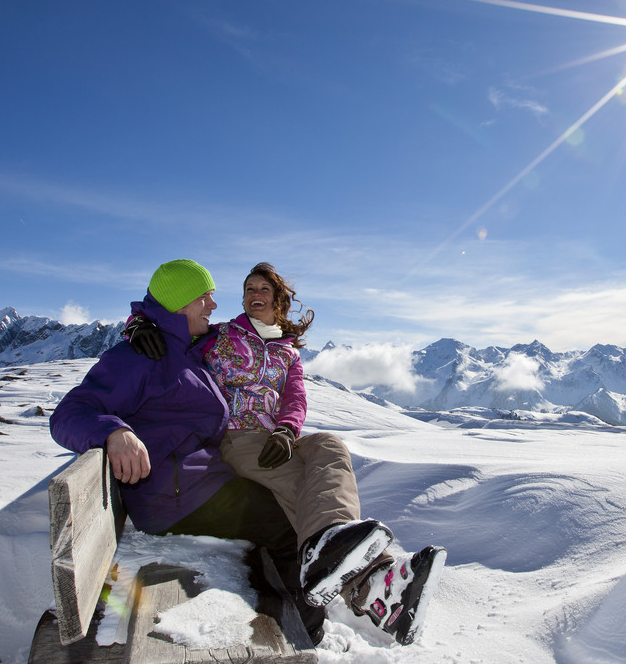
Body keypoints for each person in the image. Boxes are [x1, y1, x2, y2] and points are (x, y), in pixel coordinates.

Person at [125, 262, 446, 646]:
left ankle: (345, 562)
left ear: (279, 302)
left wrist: (287, 429)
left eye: (263, 289)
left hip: (277, 438)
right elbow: (172, 320)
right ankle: (373, 585)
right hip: (237, 438)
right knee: (300, 486)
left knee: (329, 445)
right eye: (248, 289)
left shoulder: (287, 352)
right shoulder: (221, 335)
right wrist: (135, 324)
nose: (254, 294)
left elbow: (295, 398)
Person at [49, 259, 326, 642]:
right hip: (176, 496)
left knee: (292, 494)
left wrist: (140, 321)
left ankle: (303, 611)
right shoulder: (139, 356)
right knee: (284, 525)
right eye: (205, 299)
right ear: (181, 303)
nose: (214, 307)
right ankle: (304, 632)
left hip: (199, 482)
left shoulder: (185, 346)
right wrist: (114, 433)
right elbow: (68, 414)